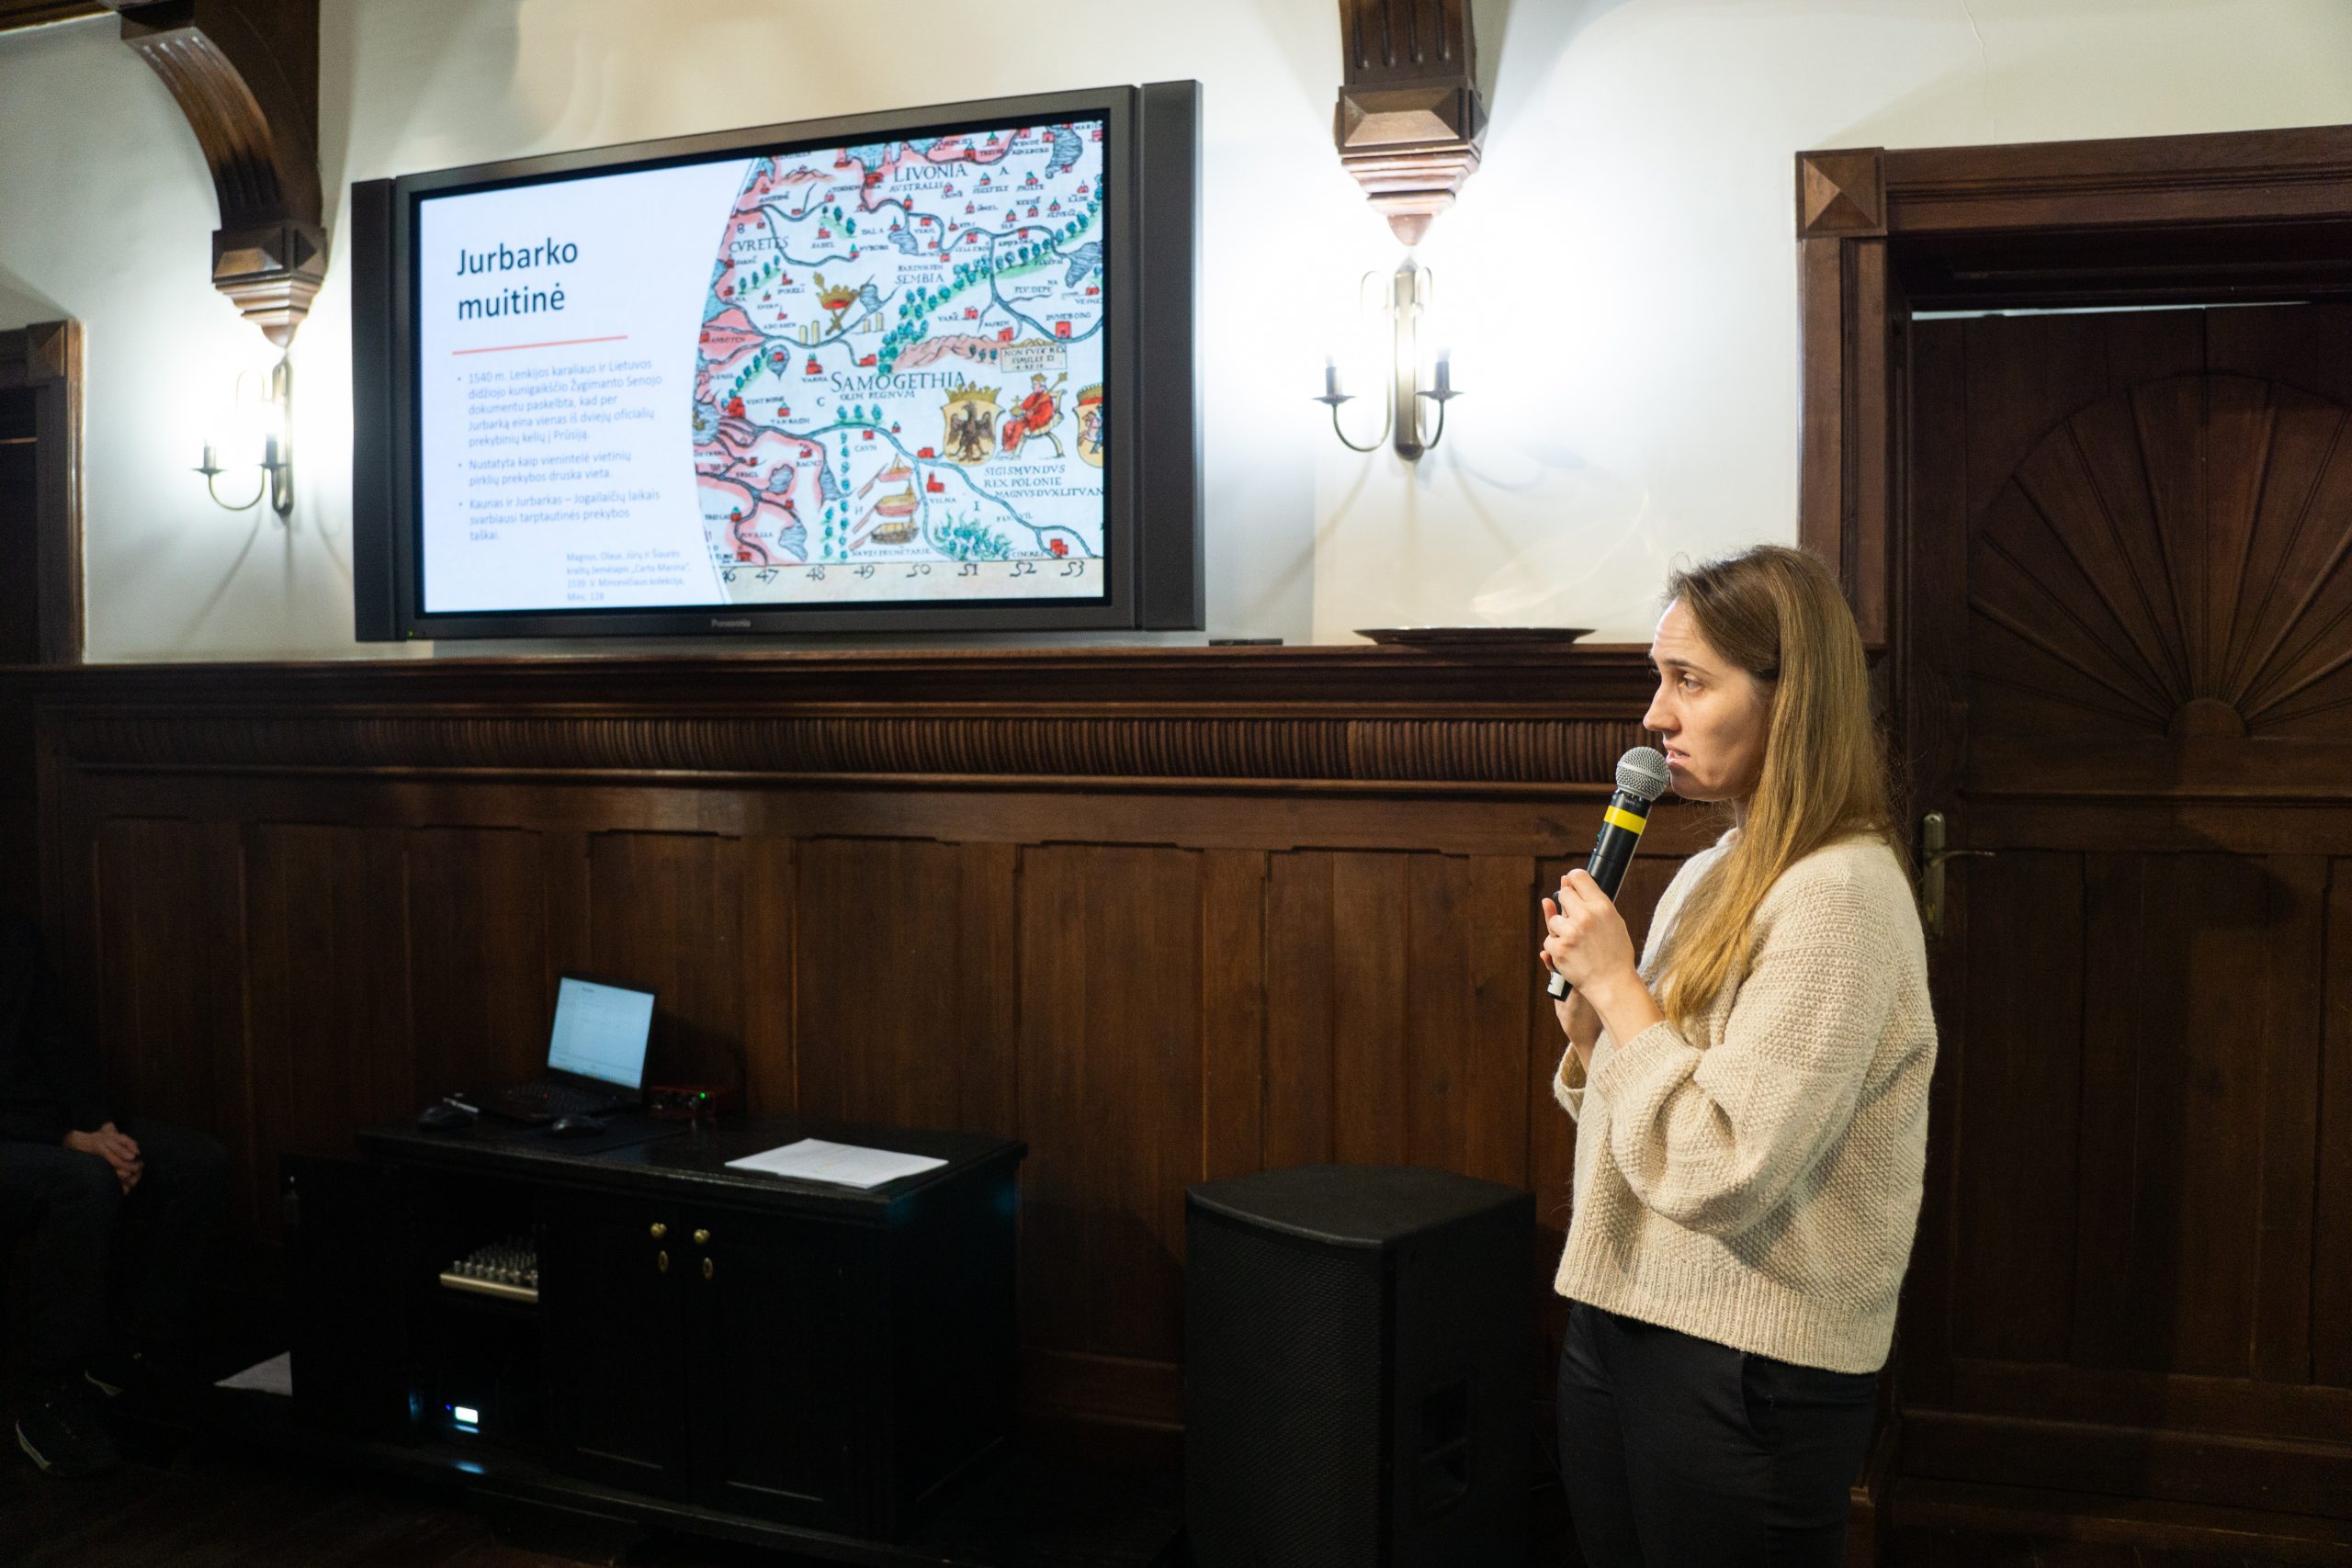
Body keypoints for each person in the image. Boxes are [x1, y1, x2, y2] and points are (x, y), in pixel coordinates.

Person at [1539, 545, 1936, 1567]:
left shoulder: (1840, 897)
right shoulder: (1720, 866)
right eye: (1658, 679)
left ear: (1787, 700)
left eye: (1690, 681)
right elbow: (1657, 1108)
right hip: (1624, 1312)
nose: (1655, 717)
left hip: (1746, 1360)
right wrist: (1594, 1030)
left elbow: (1725, 1166)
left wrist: (1623, 992)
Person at [0, 915, 227, 1476]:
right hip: (27, 1137)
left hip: (49, 1126)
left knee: (196, 1164)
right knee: (81, 1182)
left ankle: (129, 1361)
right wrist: (68, 1140)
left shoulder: (13, 930)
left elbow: (58, 1039)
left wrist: (101, 1128)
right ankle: (49, 1397)